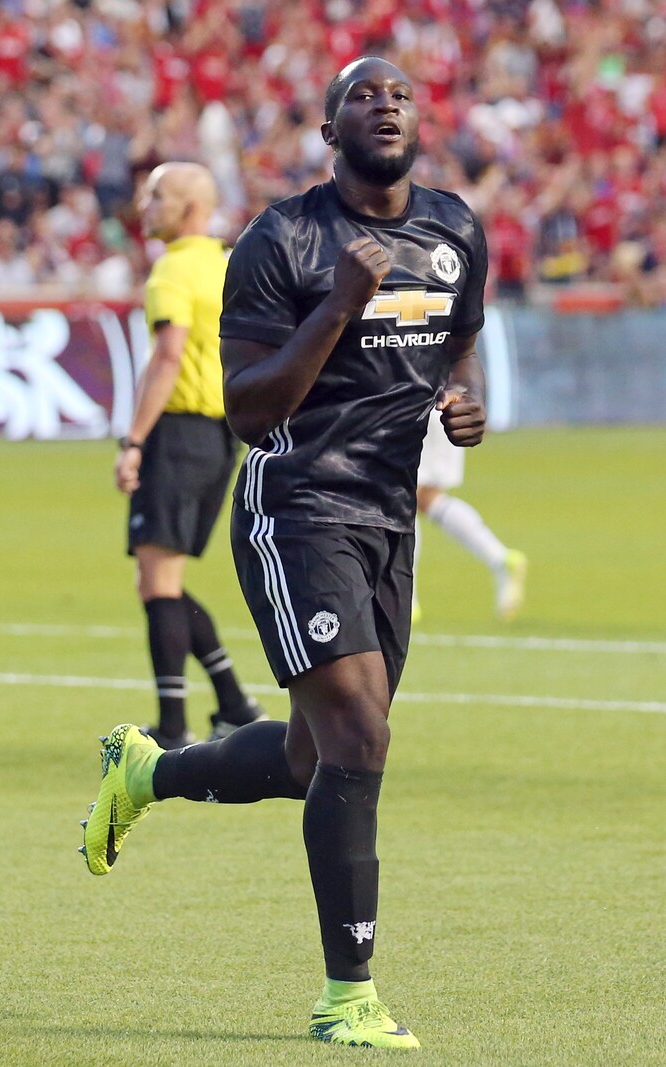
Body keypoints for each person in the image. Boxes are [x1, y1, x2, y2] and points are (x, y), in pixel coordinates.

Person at [81, 57, 489, 1049]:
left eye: (398, 95)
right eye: (362, 95)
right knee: (359, 737)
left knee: (316, 756)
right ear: (326, 127)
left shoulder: (454, 228)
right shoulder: (282, 238)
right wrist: (339, 303)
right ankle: (347, 992)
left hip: (388, 514)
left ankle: (148, 771)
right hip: (296, 501)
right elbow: (250, 406)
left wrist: (462, 402)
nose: (383, 105)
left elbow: (460, 330)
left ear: (417, 123)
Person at [114, 161, 265, 747]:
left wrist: (133, 441)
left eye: (158, 195)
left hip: (177, 433)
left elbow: (167, 357)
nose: (145, 204)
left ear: (191, 207)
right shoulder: (231, 265)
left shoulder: (170, 272)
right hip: (221, 435)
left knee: (157, 582)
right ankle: (233, 703)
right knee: (162, 580)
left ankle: (173, 724)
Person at [413, 408, 527, 623]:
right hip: (447, 407)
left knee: (406, 498)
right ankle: (500, 559)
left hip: (420, 407)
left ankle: (407, 598)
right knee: (426, 498)